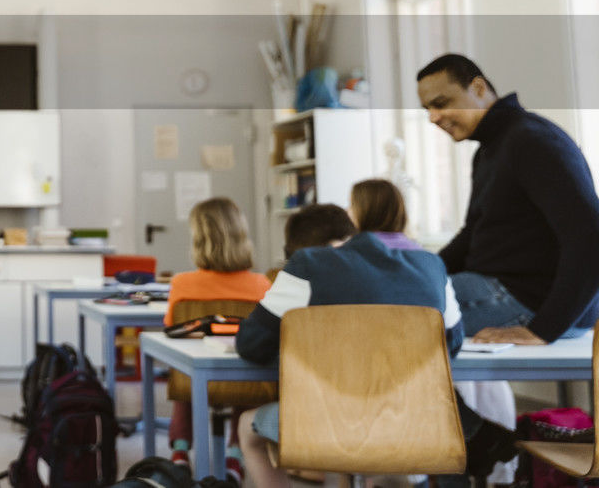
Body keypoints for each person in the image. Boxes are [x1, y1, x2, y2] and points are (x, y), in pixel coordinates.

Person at [235, 178, 518, 488]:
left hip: (323, 424)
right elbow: (452, 343)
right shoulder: (431, 267)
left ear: (354, 220)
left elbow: (251, 345)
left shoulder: (306, 265)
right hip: (414, 422)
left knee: (248, 428)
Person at [417, 53, 599, 344]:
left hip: (530, 303)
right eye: (427, 108)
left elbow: (590, 236)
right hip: (498, 290)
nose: (433, 117)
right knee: (397, 291)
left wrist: (541, 330)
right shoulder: (490, 149)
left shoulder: (531, 140)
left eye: (441, 103)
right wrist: (418, 270)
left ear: (477, 89)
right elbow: (472, 234)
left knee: (393, 308)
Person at [162, 198, 273, 484]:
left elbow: (171, 329)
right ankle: (235, 456)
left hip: (193, 384)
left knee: (185, 363)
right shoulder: (262, 286)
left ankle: (180, 454)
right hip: (247, 383)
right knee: (246, 367)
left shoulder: (182, 284)